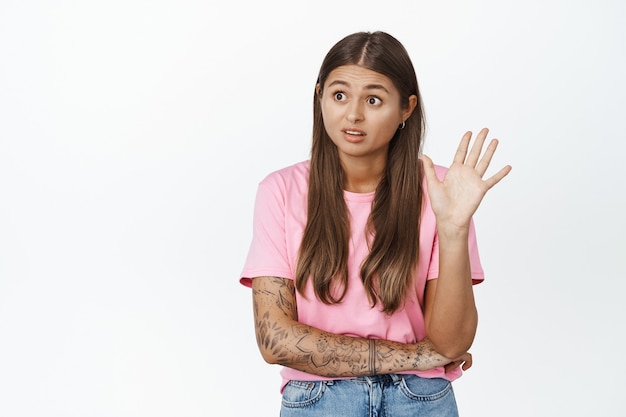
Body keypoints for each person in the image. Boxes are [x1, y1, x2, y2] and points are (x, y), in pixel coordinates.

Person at [239, 31, 511, 417]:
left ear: (406, 108)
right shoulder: (280, 191)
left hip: (420, 401)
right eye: (339, 95)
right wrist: (417, 355)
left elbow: (451, 341)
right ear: (319, 98)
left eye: (373, 99)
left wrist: (453, 230)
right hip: (319, 401)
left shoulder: (442, 192)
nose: (353, 114)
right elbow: (275, 340)